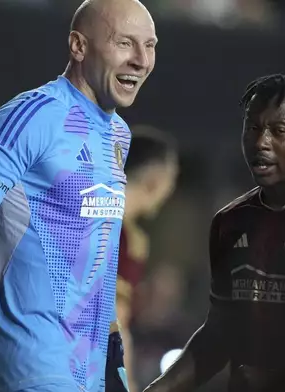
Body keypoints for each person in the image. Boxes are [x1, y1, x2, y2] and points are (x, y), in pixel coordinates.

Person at [0, 1, 158, 392]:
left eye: (150, 46)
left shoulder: (118, 135)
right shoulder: (28, 116)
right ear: (78, 46)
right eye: (125, 43)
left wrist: (112, 349)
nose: (141, 60)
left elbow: (99, 251)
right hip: (29, 366)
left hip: (88, 370)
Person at [143, 73, 285, 392]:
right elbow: (220, 333)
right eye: (253, 128)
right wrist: (160, 388)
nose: (261, 142)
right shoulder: (231, 222)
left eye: (278, 131)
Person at [106, 125, 179, 392]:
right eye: (173, 179)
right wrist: (128, 383)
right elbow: (115, 319)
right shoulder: (127, 238)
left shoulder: (84, 218)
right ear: (156, 180)